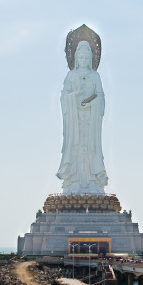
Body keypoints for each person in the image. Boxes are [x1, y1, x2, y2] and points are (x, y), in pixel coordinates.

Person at [57, 37, 108, 194]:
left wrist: (92, 103)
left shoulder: (95, 76)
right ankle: (74, 182)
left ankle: (93, 181)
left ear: (91, 58)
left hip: (91, 120)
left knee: (92, 148)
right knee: (75, 147)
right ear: (76, 58)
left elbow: (101, 96)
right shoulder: (71, 75)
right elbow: (64, 96)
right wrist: (74, 96)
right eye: (81, 57)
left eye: (87, 57)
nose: (84, 59)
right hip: (75, 119)